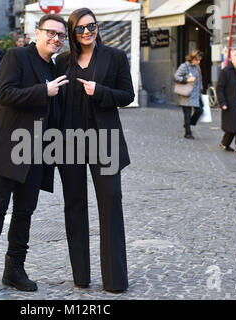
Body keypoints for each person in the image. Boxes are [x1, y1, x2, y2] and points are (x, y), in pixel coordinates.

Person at [0, 14, 68, 299]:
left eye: (60, 35)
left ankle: (14, 270)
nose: (56, 38)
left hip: (37, 151)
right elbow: (6, 94)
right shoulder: (16, 56)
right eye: (51, 33)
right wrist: (45, 90)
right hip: (9, 147)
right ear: (37, 33)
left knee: (25, 212)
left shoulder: (54, 67)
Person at [55, 8, 134, 293]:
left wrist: (100, 91)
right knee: (75, 207)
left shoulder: (115, 57)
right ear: (72, 32)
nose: (88, 32)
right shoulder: (62, 61)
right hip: (69, 143)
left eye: (92, 26)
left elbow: (128, 95)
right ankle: (81, 276)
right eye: (81, 28)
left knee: (111, 204)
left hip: (106, 142)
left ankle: (115, 279)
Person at [174, 50, 204, 139]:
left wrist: (201, 89)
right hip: (186, 93)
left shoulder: (198, 67)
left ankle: (188, 123)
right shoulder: (184, 66)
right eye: (197, 60)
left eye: (199, 60)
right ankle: (188, 133)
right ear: (192, 59)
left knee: (200, 110)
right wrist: (187, 80)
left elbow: (200, 79)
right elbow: (176, 76)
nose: (198, 62)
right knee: (187, 113)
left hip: (196, 93)